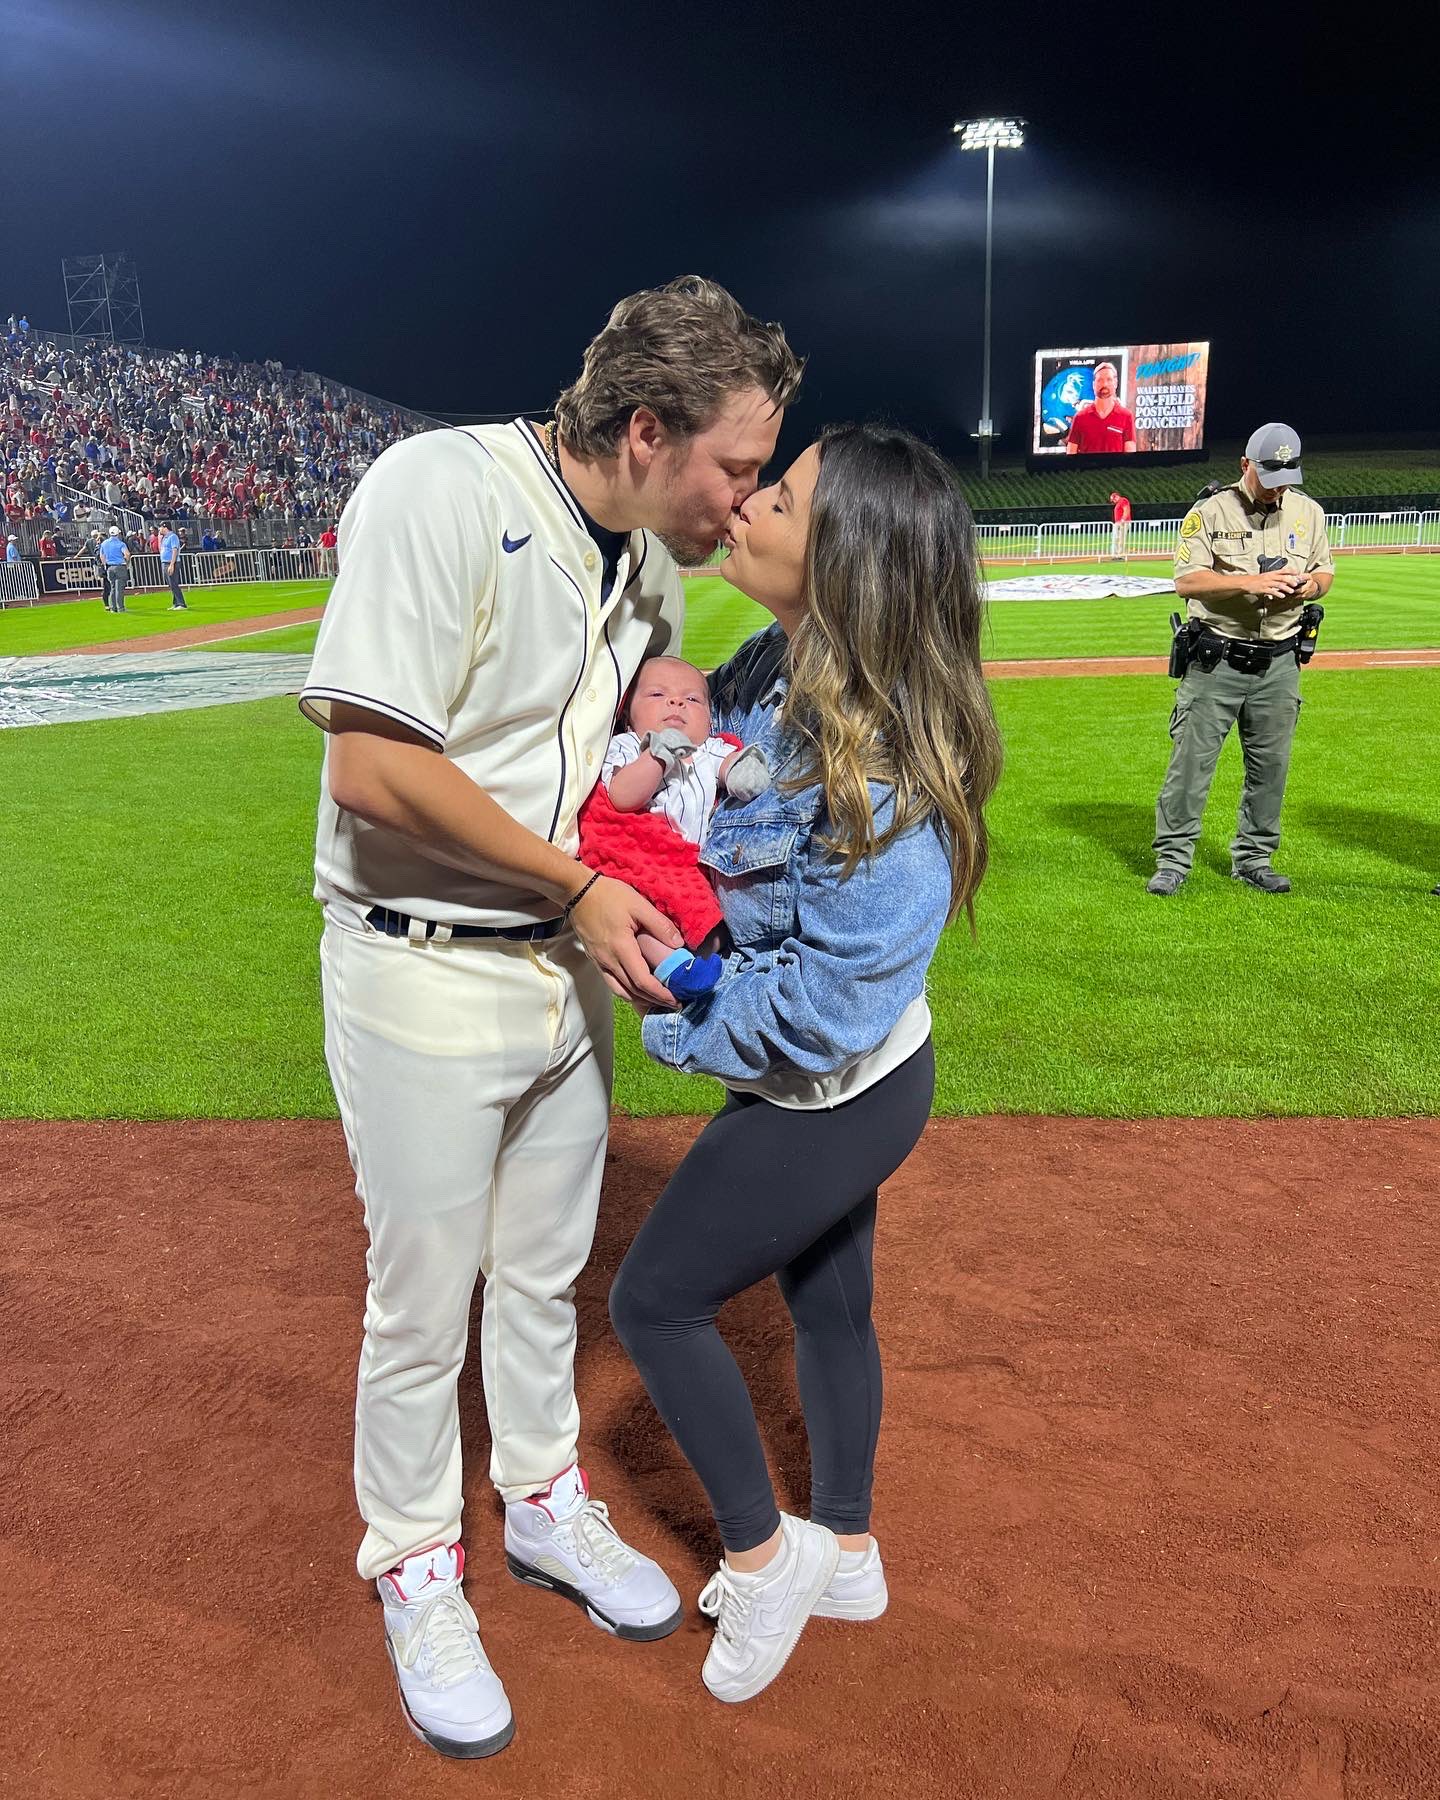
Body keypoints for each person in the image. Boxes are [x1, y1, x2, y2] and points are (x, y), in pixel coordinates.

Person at [296, 275, 801, 1761]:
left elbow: (607, 761)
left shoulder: (642, 564)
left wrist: (644, 862)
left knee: (542, 1274)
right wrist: (582, 885)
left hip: (557, 961)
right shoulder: (439, 487)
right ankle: (411, 1560)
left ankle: (537, 1499)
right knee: (422, 1291)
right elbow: (373, 770)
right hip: (422, 959)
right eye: (732, 463)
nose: (745, 495)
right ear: (646, 428)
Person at [608, 423, 1003, 1704]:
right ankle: (849, 1548)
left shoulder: (884, 767)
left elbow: (823, 1012)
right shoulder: (781, 662)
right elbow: (687, 722)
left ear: (847, 560)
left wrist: (670, 1004)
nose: (746, 505)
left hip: (840, 1085)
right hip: (849, 1068)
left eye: (776, 496)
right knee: (829, 1303)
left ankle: (764, 1555)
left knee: (653, 1302)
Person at [1148, 423, 1333, 896]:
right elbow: (1188, 582)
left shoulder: (1308, 512)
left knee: (1271, 768)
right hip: (1217, 659)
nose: (1279, 486)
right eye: (1270, 474)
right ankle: (1173, 860)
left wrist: (1310, 586)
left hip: (1280, 660)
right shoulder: (1209, 511)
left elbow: (1325, 571)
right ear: (1245, 465)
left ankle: (1254, 858)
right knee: (1191, 766)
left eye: (1288, 475)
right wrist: (1250, 584)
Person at [579, 656, 769, 998]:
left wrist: (743, 772)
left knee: (710, 928)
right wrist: (658, 755)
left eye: (693, 699)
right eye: (656, 695)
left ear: (709, 719)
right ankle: (670, 966)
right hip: (644, 859)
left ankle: (707, 963)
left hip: (693, 866)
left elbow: (732, 769)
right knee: (643, 917)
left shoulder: (709, 750)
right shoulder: (626, 747)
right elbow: (623, 797)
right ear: (626, 715)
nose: (677, 702)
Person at [1066, 361, 1136, 454]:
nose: (1104, 384)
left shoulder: (1126, 416)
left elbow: (1130, 454)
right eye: (1100, 380)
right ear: (1093, 385)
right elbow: (1071, 453)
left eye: (1109, 380)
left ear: (1115, 383)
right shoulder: (1080, 417)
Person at [98, 524, 131, 612]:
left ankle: (113, 607)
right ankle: (120, 607)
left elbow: (102, 556)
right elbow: (127, 554)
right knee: (119, 588)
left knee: (112, 588)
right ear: (118, 533)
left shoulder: (104, 543)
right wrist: (127, 563)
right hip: (119, 566)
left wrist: (105, 564)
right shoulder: (121, 543)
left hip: (109, 567)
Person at [160, 523, 188, 610]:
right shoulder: (165, 537)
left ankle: (181, 604)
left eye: (160, 527)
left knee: (173, 583)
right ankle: (176, 603)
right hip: (165, 562)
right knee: (171, 584)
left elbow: (175, 550)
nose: (159, 529)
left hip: (171, 562)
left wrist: (172, 564)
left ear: (165, 527)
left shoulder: (173, 536)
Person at [1110, 490, 1132, 559]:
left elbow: (1126, 510)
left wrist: (1123, 520)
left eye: (1113, 500)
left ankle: (1119, 555)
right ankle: (1116, 554)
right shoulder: (1119, 503)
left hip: (1123, 523)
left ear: (1116, 497)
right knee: (1116, 538)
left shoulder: (1123, 500)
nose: (1113, 502)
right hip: (1119, 523)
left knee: (1121, 539)